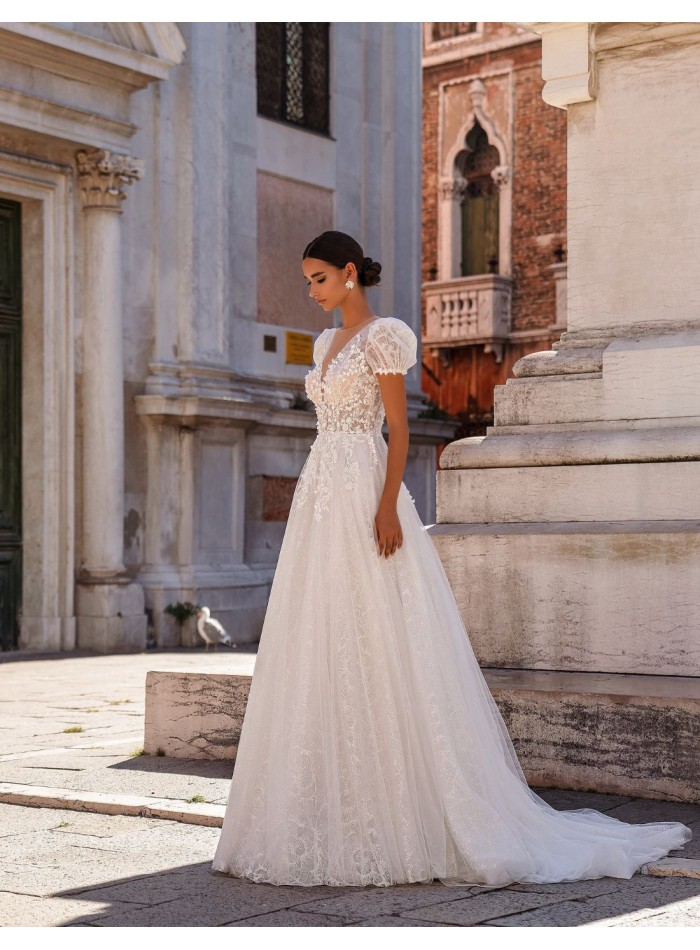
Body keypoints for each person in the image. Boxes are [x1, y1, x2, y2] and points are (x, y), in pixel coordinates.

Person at [212, 230, 691, 888]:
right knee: (321, 626)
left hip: (363, 487)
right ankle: (326, 802)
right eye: (308, 280)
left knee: (381, 623)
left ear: (350, 274)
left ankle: (416, 803)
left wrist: (386, 507)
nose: (312, 290)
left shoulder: (384, 337)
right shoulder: (325, 346)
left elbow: (398, 428)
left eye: (319, 277)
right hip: (320, 491)